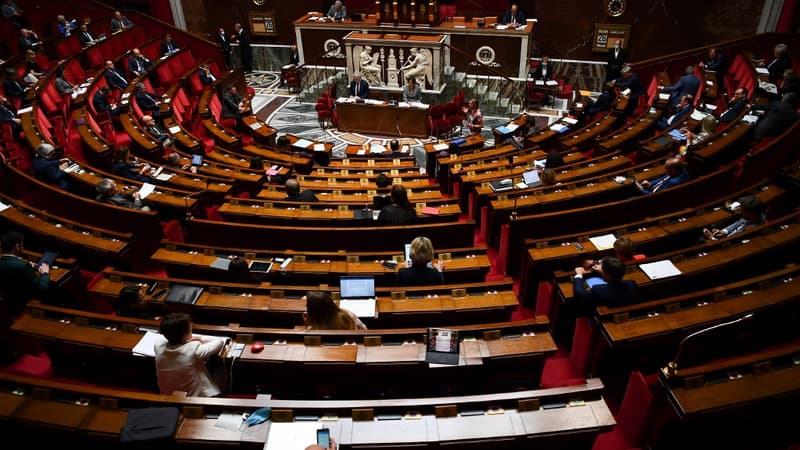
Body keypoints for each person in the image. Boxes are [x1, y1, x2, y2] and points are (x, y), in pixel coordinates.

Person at [154, 312, 226, 397]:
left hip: (167, 397)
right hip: (195, 400)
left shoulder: (158, 346)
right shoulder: (193, 350)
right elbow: (219, 342)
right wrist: (200, 338)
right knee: (220, 368)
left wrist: (184, 338)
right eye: (191, 329)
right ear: (184, 334)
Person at [0, 231, 49, 319]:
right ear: (17, 246)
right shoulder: (23, 267)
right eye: (22, 245)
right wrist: (44, 273)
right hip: (22, 307)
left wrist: (28, 266)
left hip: (6, 304)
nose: (23, 247)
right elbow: (41, 288)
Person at [573, 256, 638, 310]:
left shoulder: (599, 289)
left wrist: (579, 275)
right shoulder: (632, 284)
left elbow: (580, 294)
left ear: (608, 275)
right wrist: (603, 271)